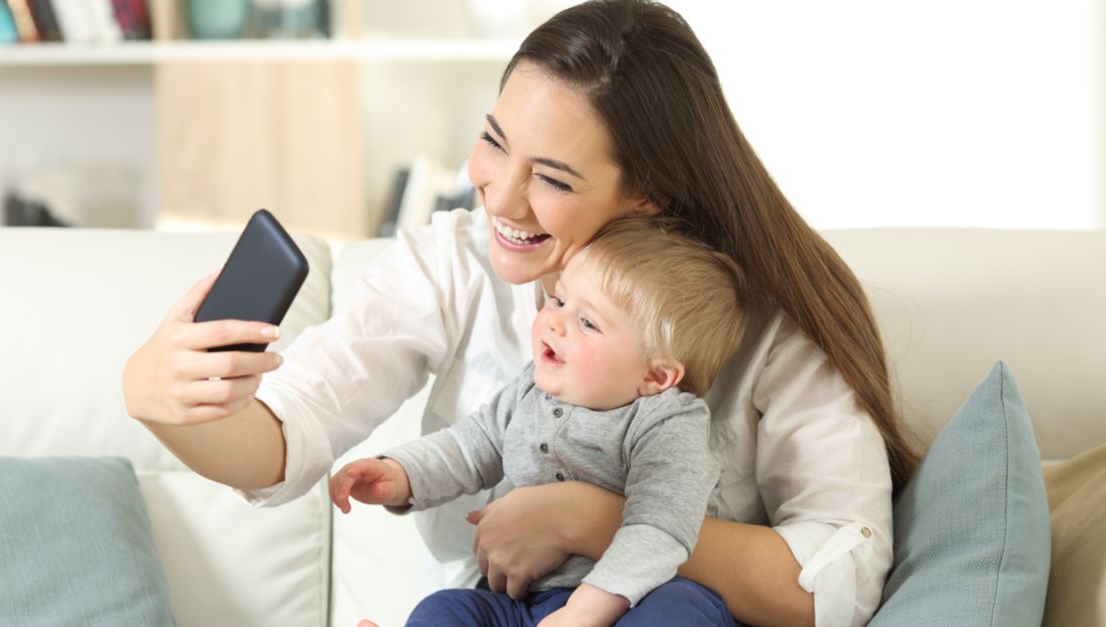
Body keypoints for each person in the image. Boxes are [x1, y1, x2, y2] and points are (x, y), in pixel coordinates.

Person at [122, 1, 918, 624]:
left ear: (649, 196)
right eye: (494, 141)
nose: (497, 195)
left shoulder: (767, 321)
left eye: (554, 178)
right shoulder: (454, 265)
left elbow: (837, 580)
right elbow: (286, 438)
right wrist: (168, 403)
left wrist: (592, 519)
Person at [329, 218, 747, 626]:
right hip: (522, 600)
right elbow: (469, 446)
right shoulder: (530, 387)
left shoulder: (668, 424)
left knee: (682, 610)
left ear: (654, 377)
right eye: (560, 300)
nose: (555, 322)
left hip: (633, 600)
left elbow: (659, 529)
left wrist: (584, 613)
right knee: (446, 610)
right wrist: (399, 473)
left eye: (587, 323)